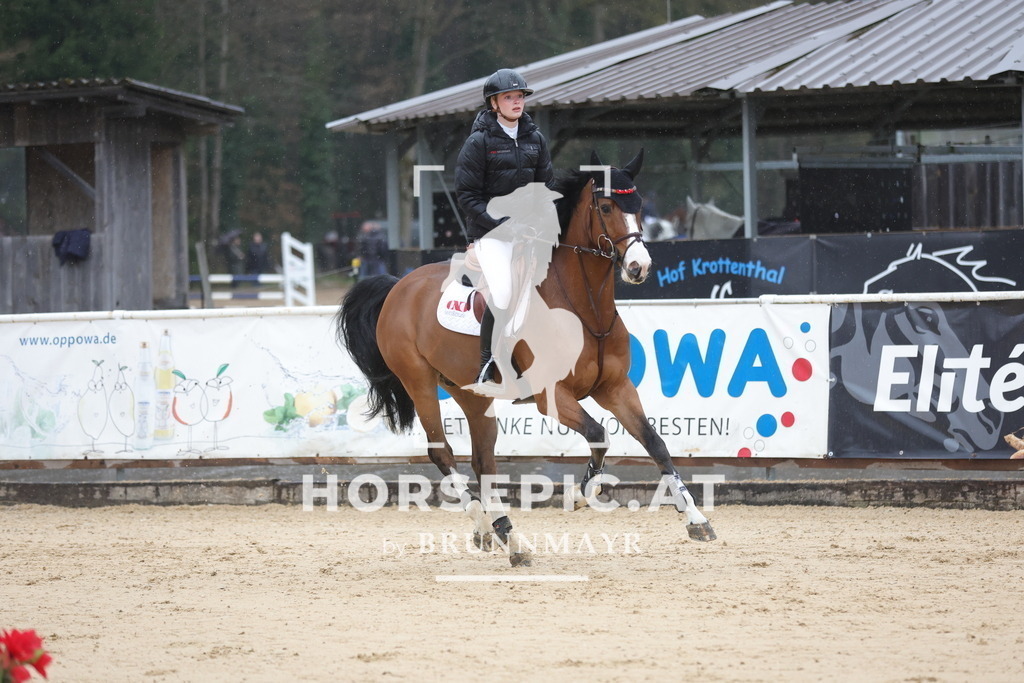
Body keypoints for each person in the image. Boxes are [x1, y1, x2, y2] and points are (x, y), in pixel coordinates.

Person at [454, 68, 553, 393]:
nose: (517, 102)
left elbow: (545, 187)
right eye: (509, 97)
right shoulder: (479, 142)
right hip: (491, 234)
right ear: (494, 103)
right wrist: (502, 225)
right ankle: (487, 362)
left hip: (530, 232)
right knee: (503, 291)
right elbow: (468, 196)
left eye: (520, 96)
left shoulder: (535, 139)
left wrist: (540, 222)